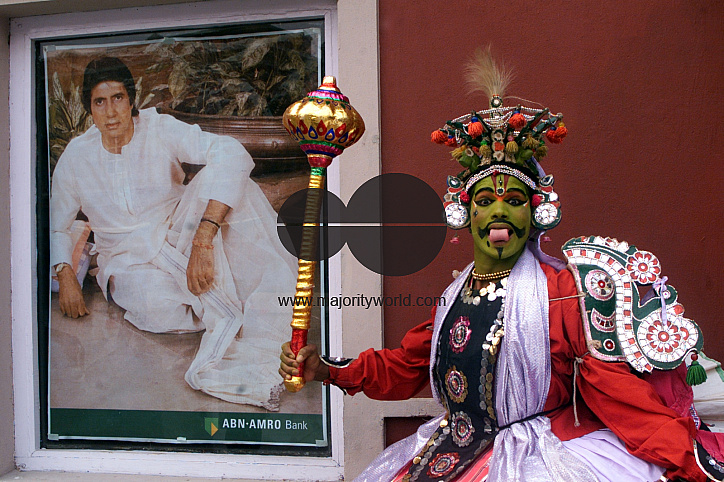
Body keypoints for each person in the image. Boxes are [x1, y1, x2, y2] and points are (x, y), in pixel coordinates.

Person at [280, 50, 724, 480]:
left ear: (534, 215)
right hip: (450, 449)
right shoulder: (455, 297)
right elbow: (405, 367)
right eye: (485, 200)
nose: (498, 213)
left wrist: (693, 460)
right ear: (465, 213)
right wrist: (328, 371)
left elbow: (620, 397)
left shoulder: (563, 293)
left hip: (537, 455)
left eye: (513, 201)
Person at [51, 57, 296, 410]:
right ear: (90, 109)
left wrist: (203, 238)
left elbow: (232, 152)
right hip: (127, 260)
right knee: (157, 307)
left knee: (236, 183)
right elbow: (58, 223)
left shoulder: (159, 128)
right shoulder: (77, 157)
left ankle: (242, 305)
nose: (110, 112)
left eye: (117, 98)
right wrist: (66, 275)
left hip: (178, 228)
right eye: (99, 102)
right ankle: (228, 302)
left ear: (131, 100)